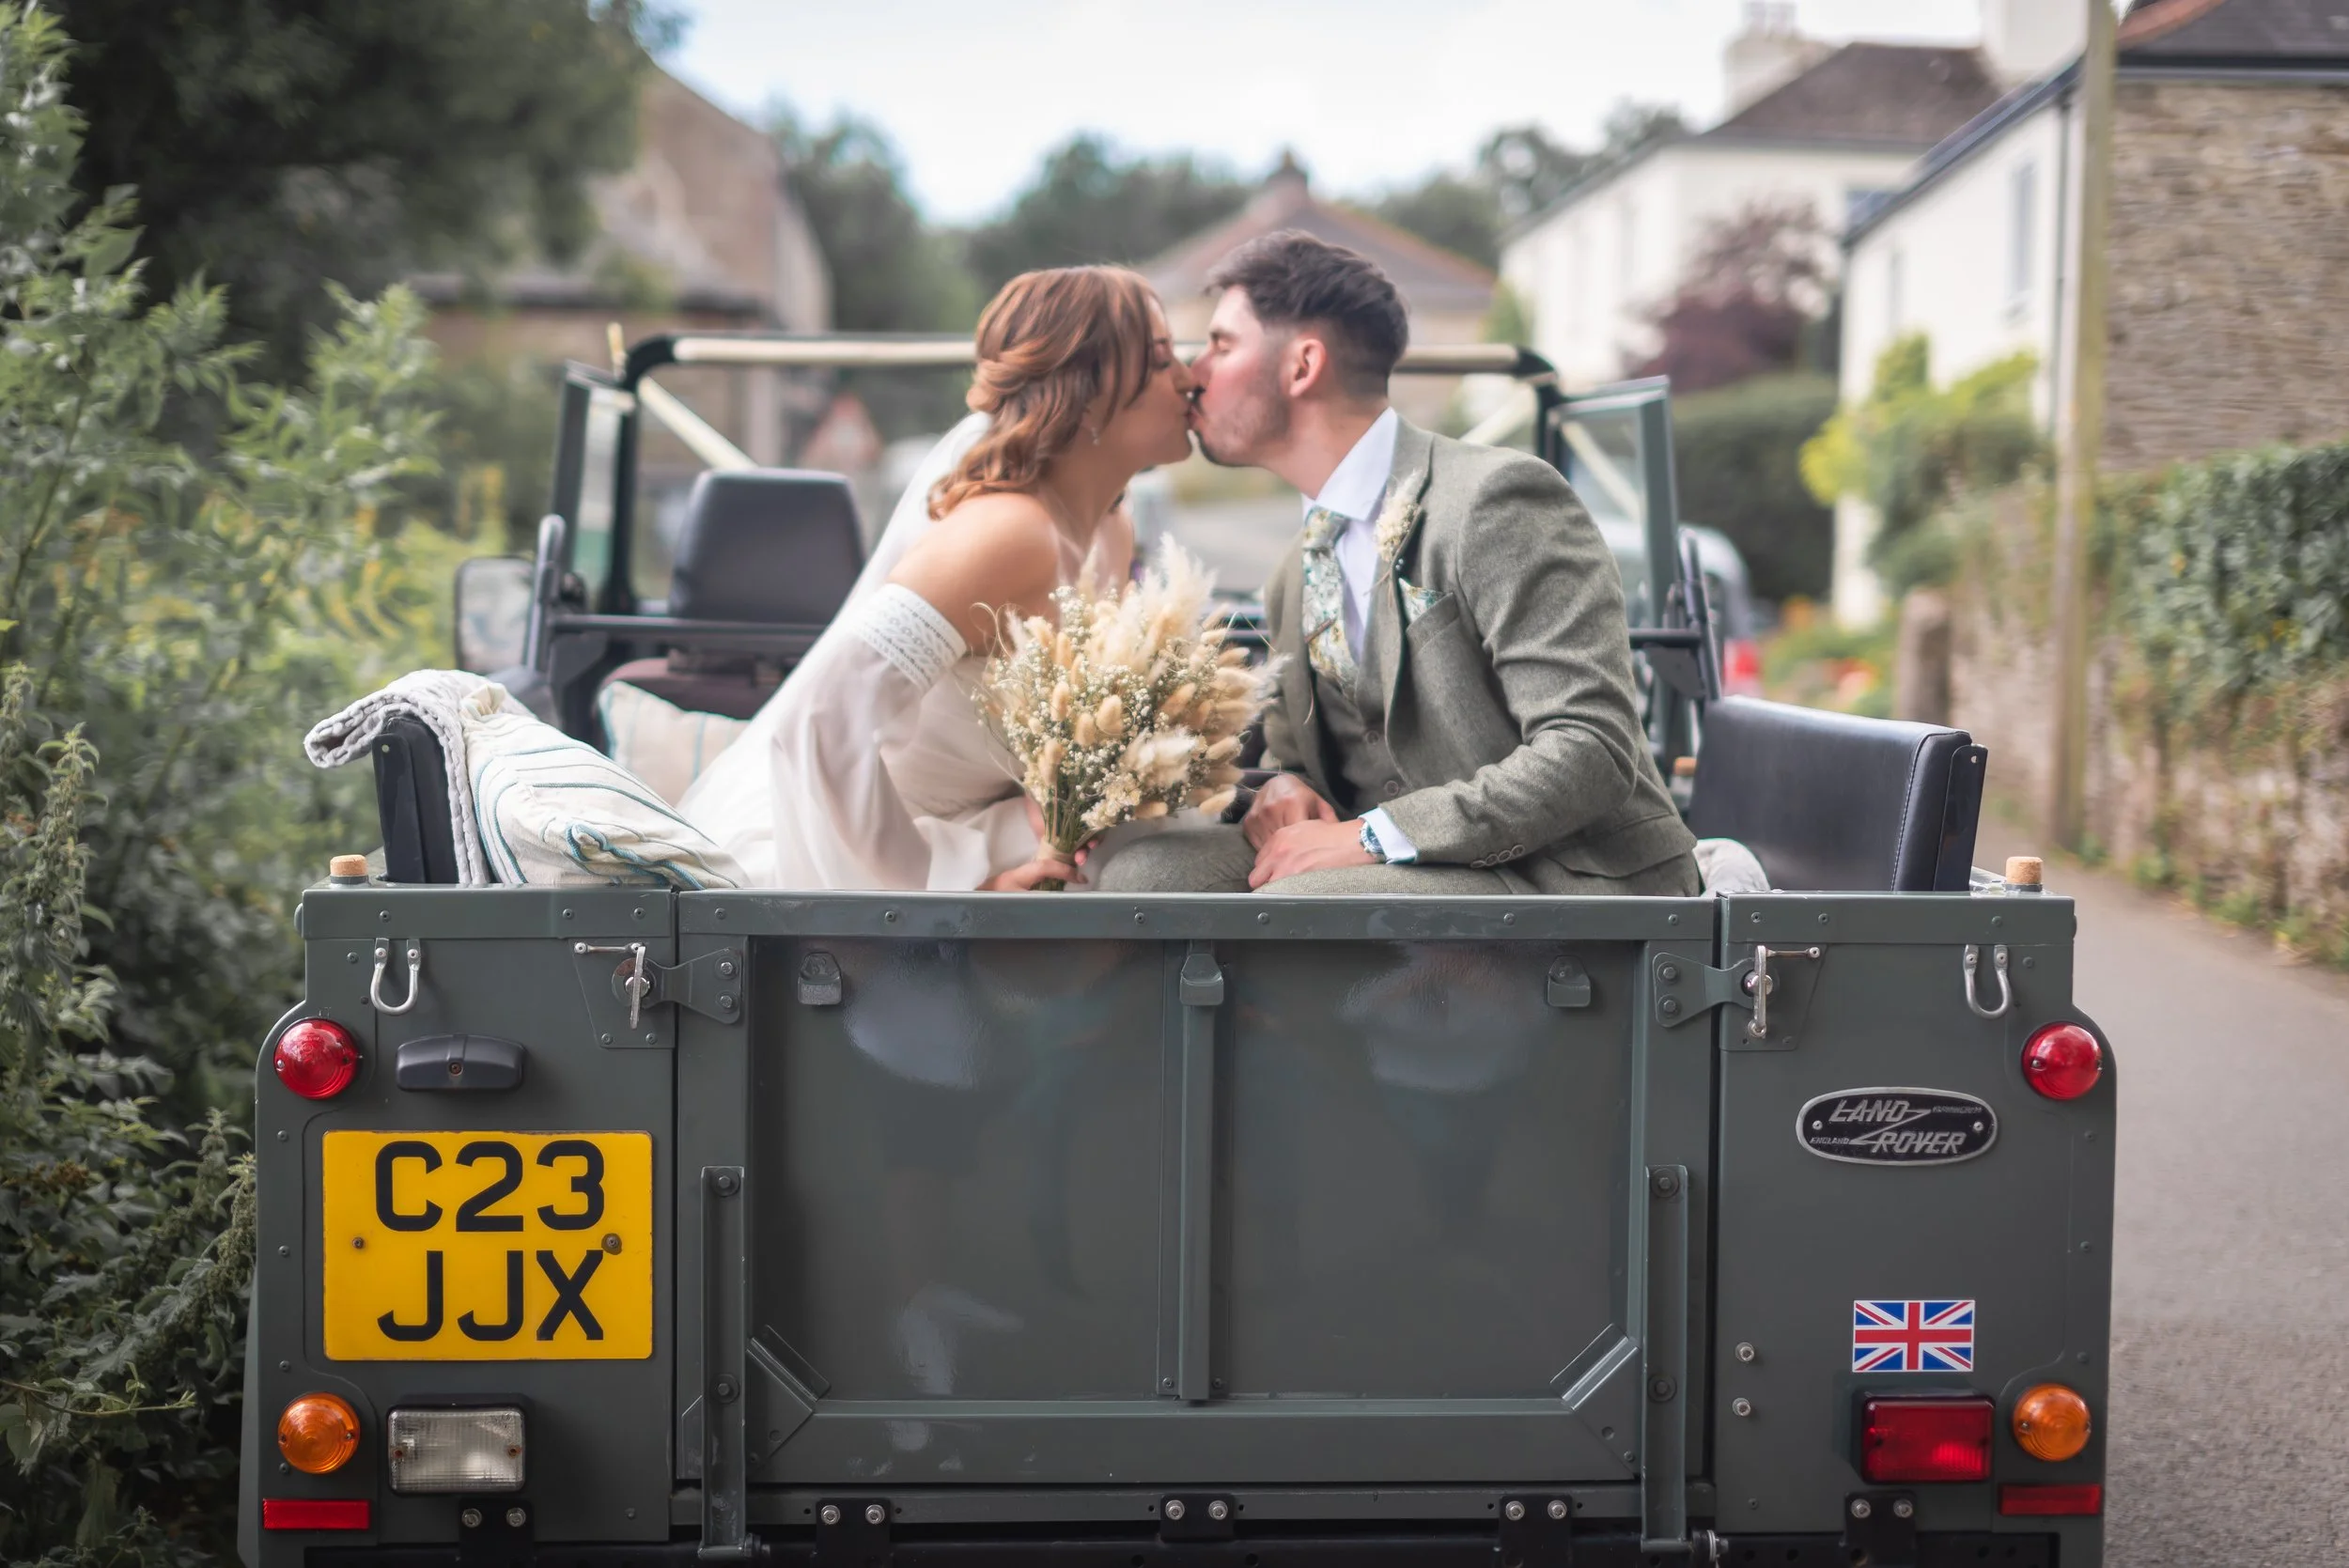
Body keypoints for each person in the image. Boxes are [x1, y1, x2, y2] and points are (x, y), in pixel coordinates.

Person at [1091, 231, 1700, 896]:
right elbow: (1302, 757)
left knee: (1298, 902)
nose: (1192, 372)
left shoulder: (1494, 500)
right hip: (1417, 873)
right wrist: (1287, 787)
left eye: (1221, 344)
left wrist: (1369, 835)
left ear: (1302, 366)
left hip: (1563, 874)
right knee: (1142, 876)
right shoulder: (1293, 570)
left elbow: (1590, 747)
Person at [677, 266, 1195, 890]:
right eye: (1163, 359)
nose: (1189, 380)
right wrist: (950, 898)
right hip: (835, 848)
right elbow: (822, 717)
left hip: (973, 825)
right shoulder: (1008, 532)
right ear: (1086, 389)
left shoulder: (1113, 528)